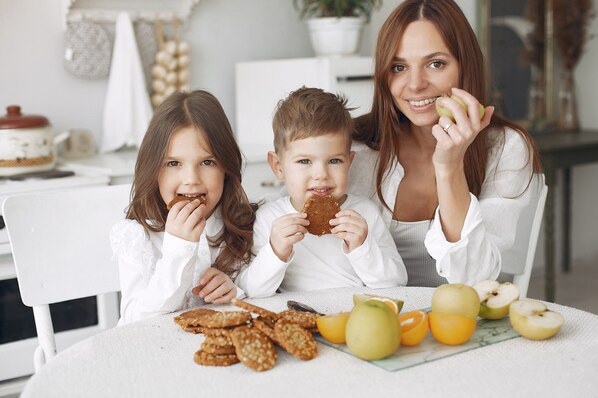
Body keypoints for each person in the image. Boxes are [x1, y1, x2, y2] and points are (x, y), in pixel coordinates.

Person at [349, 0, 544, 287]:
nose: (415, 84)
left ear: (466, 66)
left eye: (435, 64)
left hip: (460, 323)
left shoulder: (507, 148)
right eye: (399, 67)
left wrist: (449, 166)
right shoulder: (355, 147)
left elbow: (475, 278)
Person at [236, 87, 407, 297]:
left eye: (334, 161)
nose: (321, 174)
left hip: (356, 316)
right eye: (304, 161)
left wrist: (362, 246)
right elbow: (252, 291)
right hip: (297, 318)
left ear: (349, 163)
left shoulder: (364, 214)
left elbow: (397, 282)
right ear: (278, 166)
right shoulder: (269, 218)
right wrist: (276, 251)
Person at [110, 90, 256, 325]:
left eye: (207, 162)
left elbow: (260, 308)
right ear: (154, 169)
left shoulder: (243, 226)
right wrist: (179, 250)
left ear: (226, 168)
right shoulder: (137, 237)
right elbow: (132, 323)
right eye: (174, 163)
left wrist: (233, 294)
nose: (191, 179)